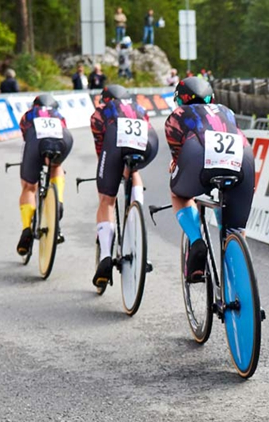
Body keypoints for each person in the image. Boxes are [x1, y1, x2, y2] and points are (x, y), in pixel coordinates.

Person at [164, 76, 255, 283]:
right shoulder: (226, 110)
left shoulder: (176, 115)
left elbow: (178, 160)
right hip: (244, 157)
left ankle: (197, 242)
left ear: (179, 100)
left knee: (179, 194)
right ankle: (241, 285)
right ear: (211, 98)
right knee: (236, 229)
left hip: (199, 154)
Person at [89, 84, 160, 287]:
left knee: (106, 199)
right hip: (149, 143)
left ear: (105, 99)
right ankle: (135, 212)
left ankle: (105, 255)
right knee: (134, 170)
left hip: (114, 142)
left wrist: (108, 180)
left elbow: (101, 153)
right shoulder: (139, 108)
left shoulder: (99, 113)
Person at [15, 94, 74, 257]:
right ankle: (58, 201)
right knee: (56, 165)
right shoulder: (59, 115)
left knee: (29, 186)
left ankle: (26, 228)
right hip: (64, 138)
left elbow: (28, 141)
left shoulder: (28, 115)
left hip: (36, 140)